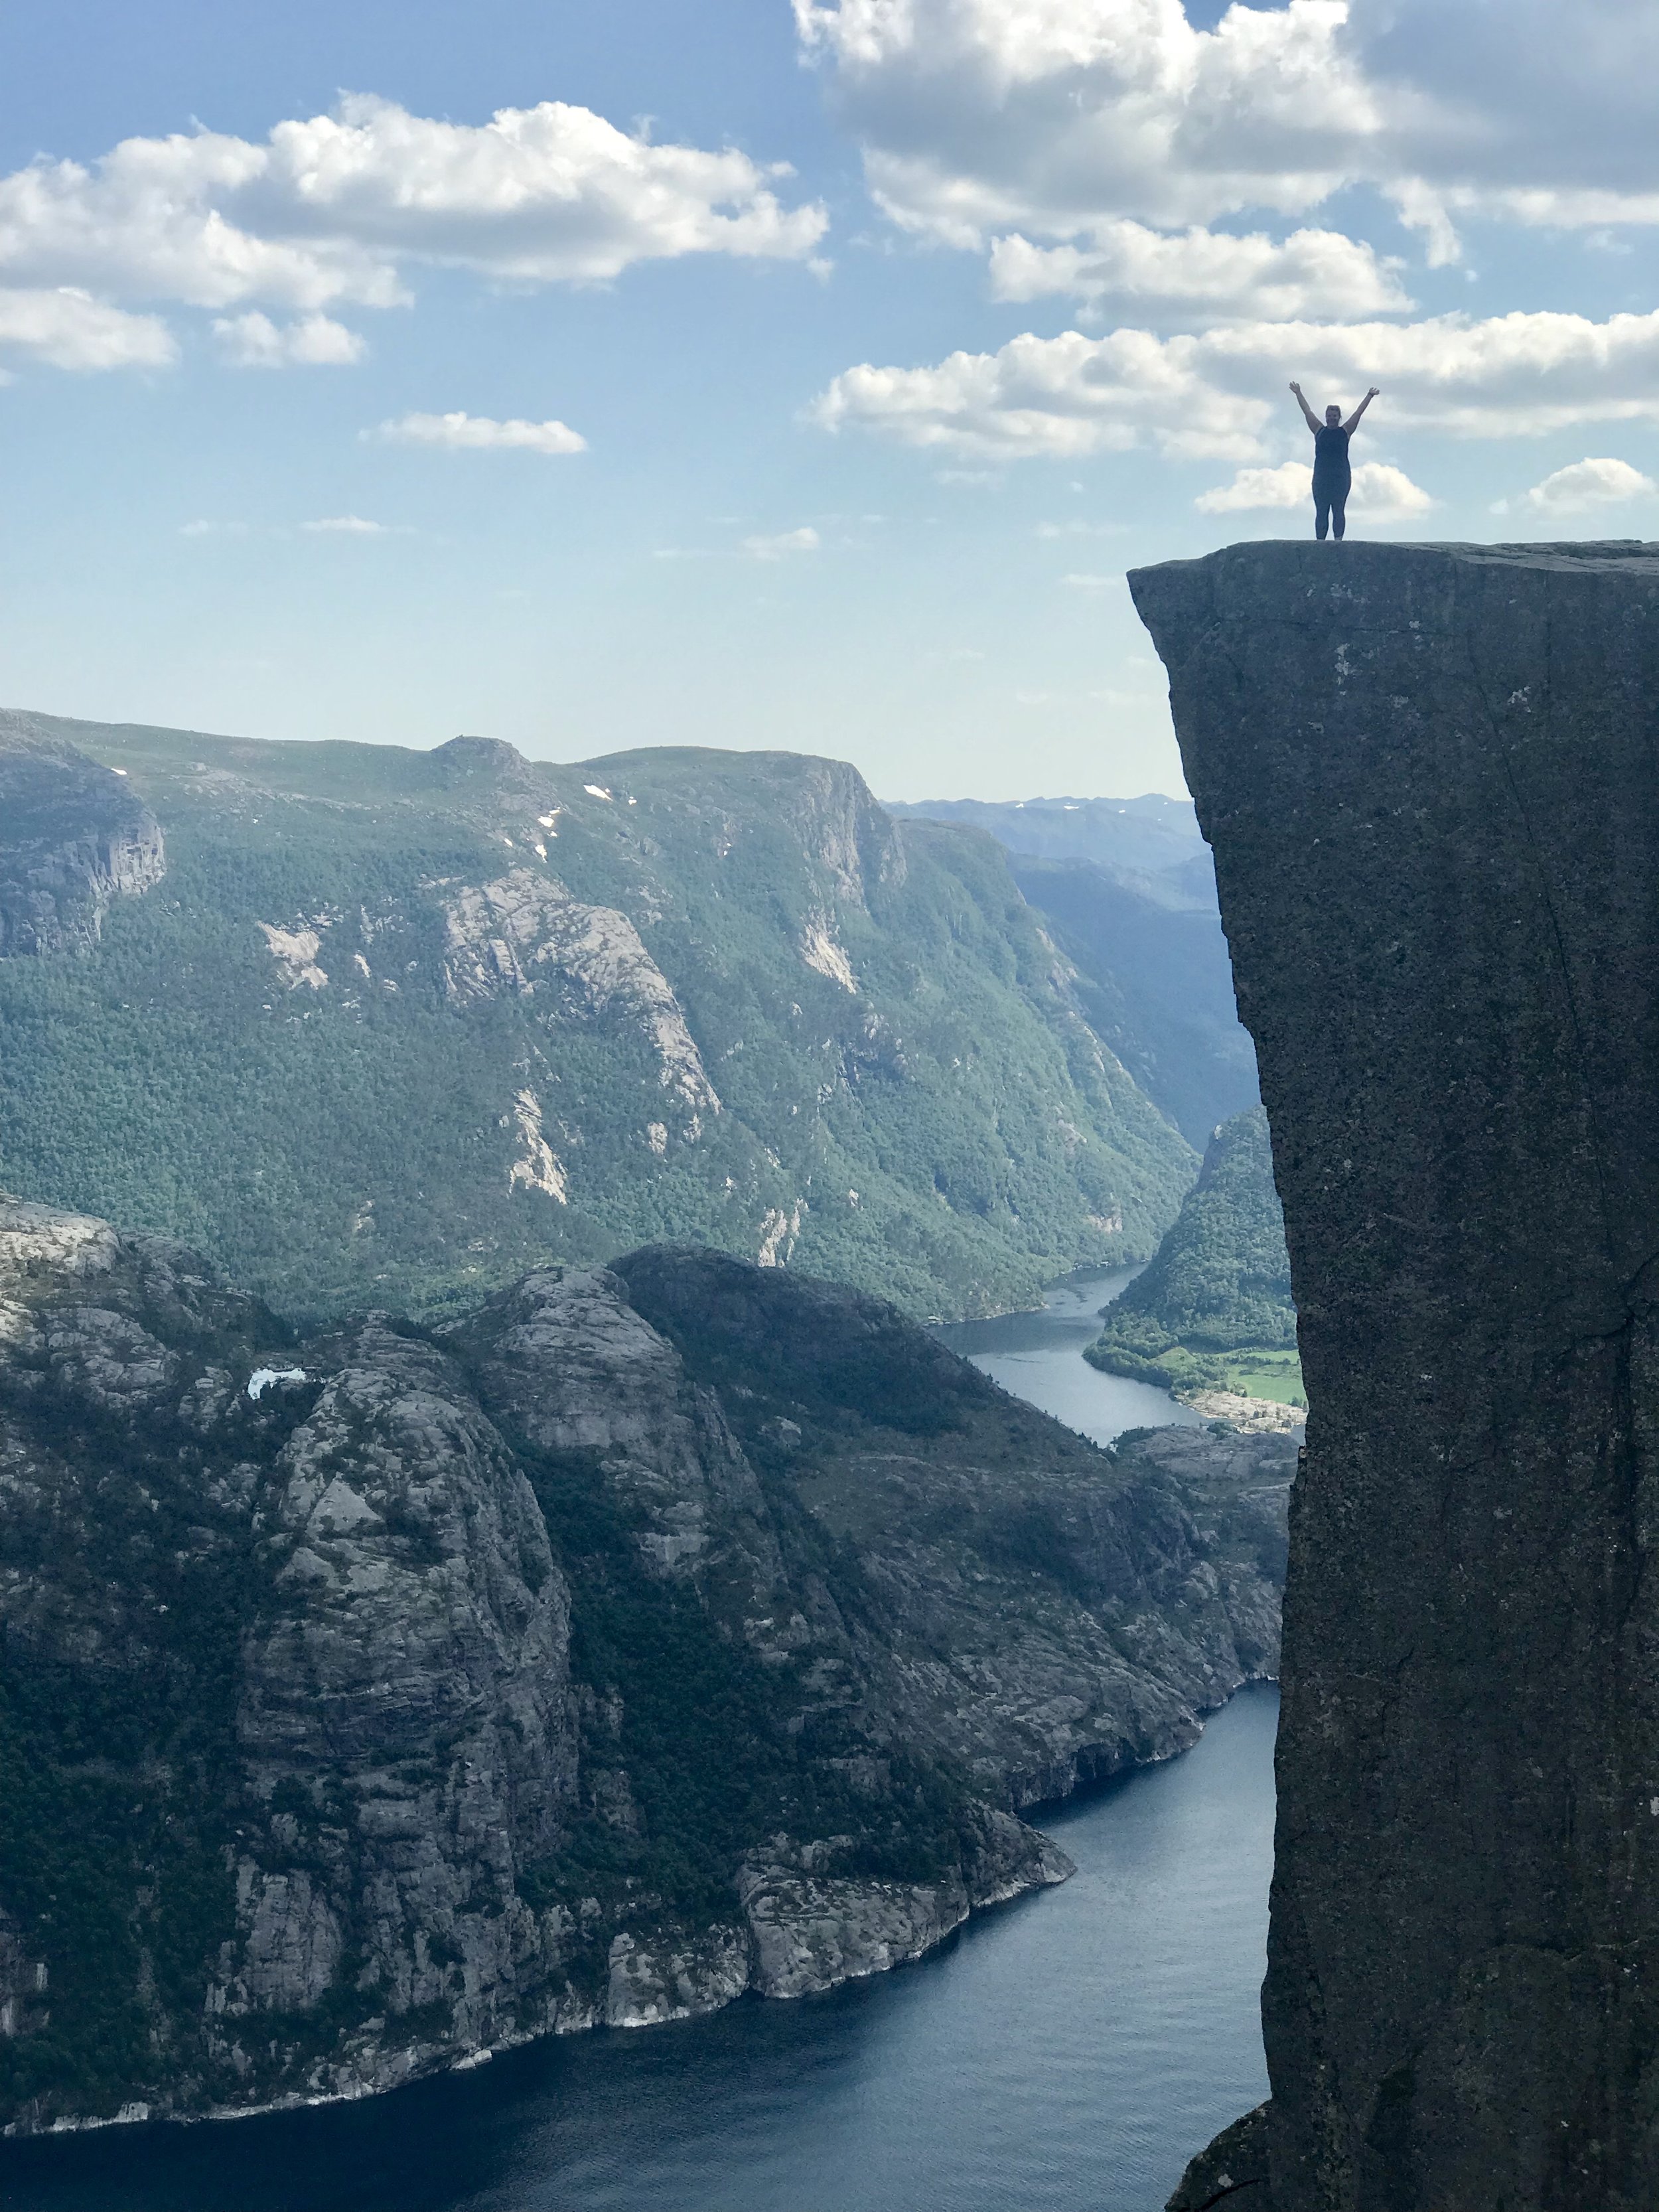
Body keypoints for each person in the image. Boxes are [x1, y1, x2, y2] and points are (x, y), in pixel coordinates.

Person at [1290, 382, 1379, 540]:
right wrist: (1298, 393)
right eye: (1329, 416)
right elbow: (1307, 411)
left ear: (1339, 417)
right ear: (1326, 417)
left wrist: (1369, 396)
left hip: (1341, 478)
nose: (1331, 418)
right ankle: (1320, 543)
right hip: (1321, 478)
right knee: (1321, 511)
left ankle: (1338, 541)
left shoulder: (1345, 431)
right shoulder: (1319, 430)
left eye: (1334, 416)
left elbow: (1358, 413)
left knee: (1338, 509)